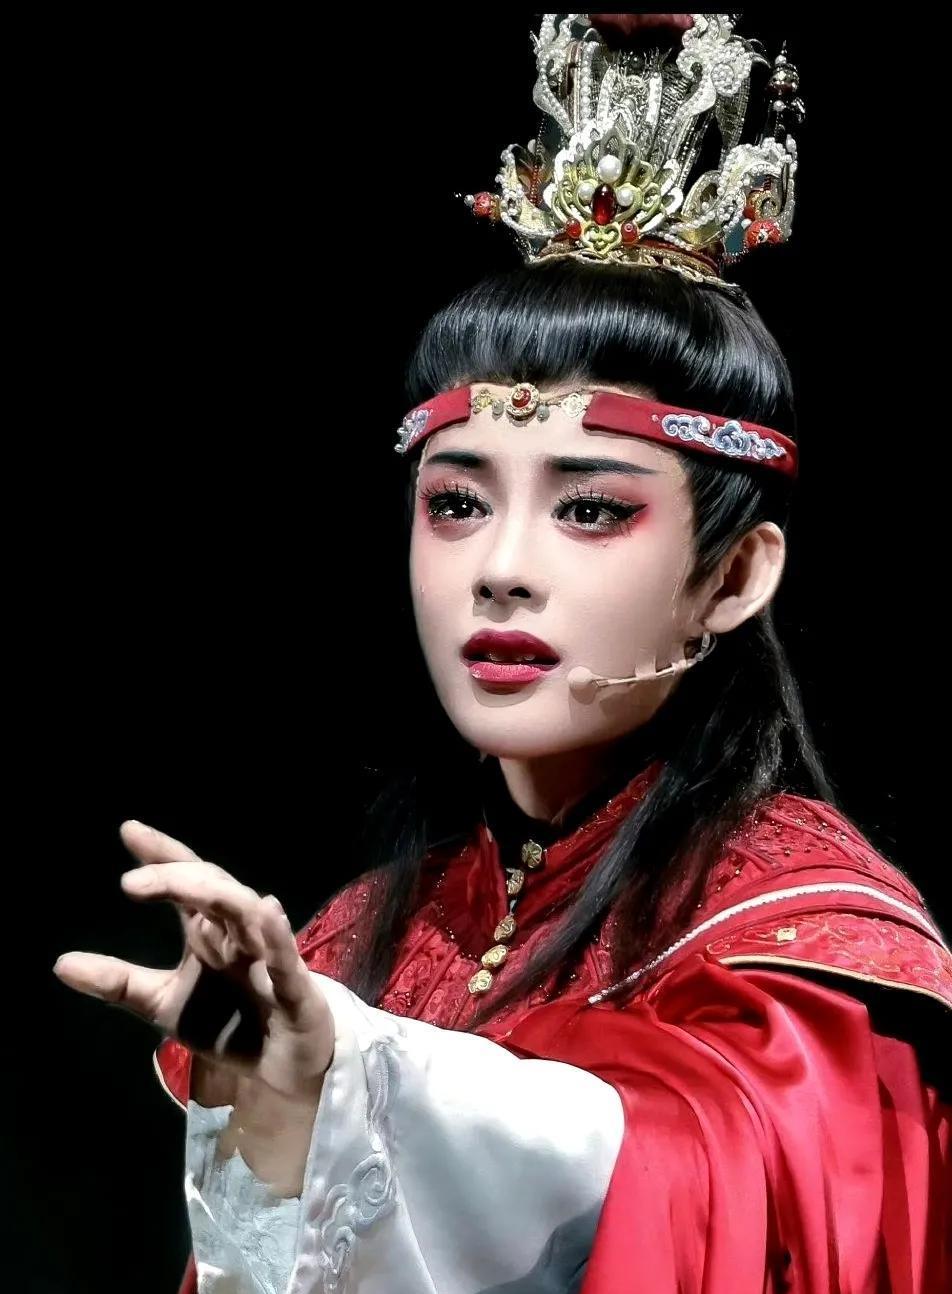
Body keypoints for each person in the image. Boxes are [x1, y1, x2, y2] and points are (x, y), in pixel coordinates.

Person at [54, 15, 951, 1293]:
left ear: (735, 576)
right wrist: (284, 1120)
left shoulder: (804, 934)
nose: (500, 567)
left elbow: (708, 1178)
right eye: (459, 502)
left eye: (590, 508)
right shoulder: (362, 933)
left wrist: (364, 1074)